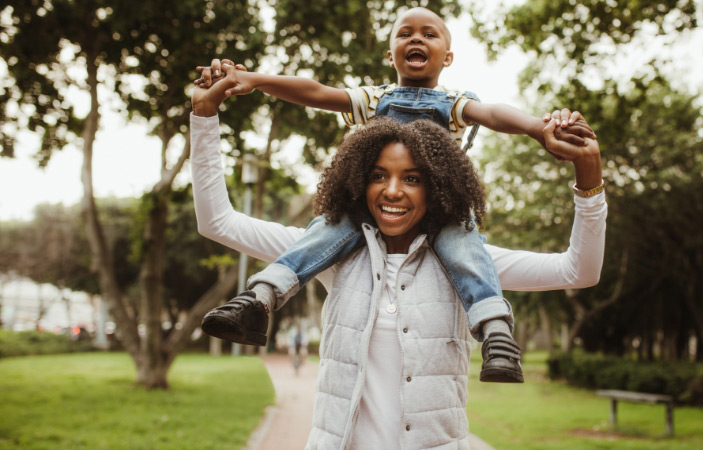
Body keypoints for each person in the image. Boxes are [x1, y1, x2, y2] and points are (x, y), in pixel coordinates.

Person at [191, 67, 606, 448]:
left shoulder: (470, 264)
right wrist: (204, 115)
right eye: (378, 176)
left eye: (413, 179)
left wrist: (588, 176)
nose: (392, 191)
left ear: (440, 187)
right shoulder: (328, 254)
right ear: (357, 183)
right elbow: (217, 223)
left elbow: (579, 270)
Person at [196, 6, 596, 384]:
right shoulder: (375, 98)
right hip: (357, 218)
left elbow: (492, 114)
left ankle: (495, 332)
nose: (415, 39)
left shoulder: (454, 103)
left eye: (429, 34)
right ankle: (260, 298)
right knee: (322, 232)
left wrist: (536, 129)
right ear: (391, 55)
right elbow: (317, 92)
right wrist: (255, 81)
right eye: (404, 33)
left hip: (446, 214)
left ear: (448, 57)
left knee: (467, 251)